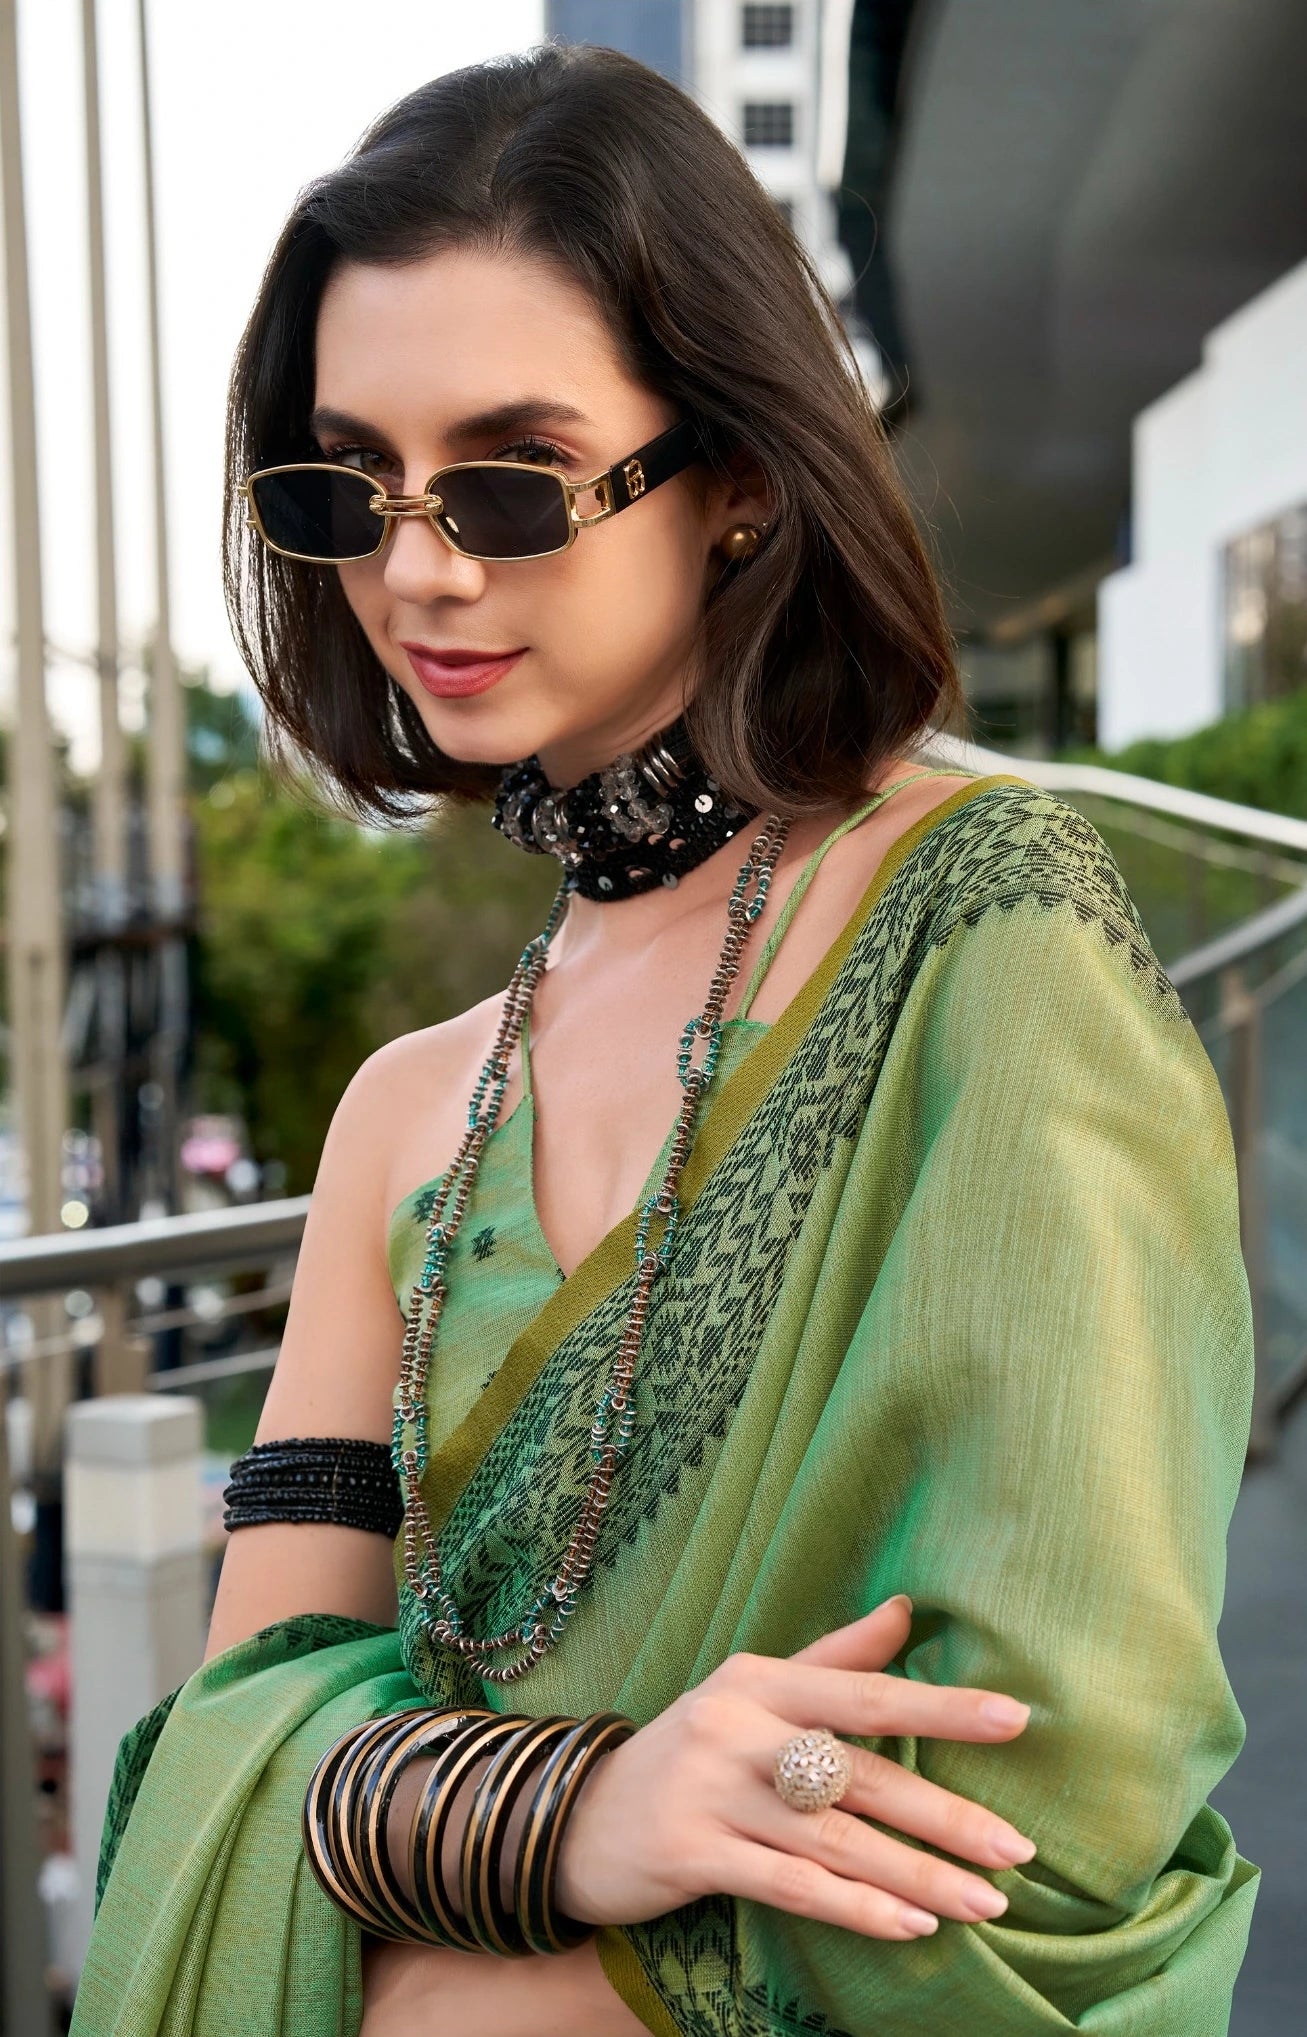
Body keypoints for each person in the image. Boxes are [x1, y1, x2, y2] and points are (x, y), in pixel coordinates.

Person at [73, 42, 1258, 2037]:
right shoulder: (402, 1111)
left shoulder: (987, 931)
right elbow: (235, 1737)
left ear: (738, 480)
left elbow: (1040, 1795)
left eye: (509, 481)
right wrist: (571, 1813)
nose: (417, 567)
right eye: (340, 483)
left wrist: (432, 1994)